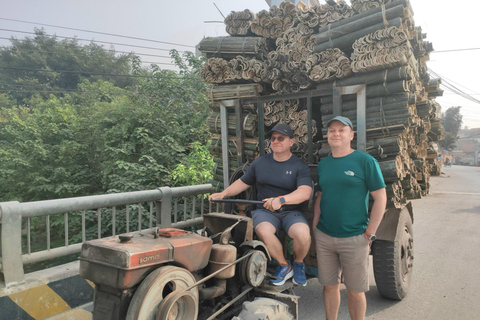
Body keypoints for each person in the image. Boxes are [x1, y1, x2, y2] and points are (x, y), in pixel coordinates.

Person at [209, 123, 313, 286]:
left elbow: (305, 192)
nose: (276, 141)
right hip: (265, 212)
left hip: (291, 211)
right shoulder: (260, 163)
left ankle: (299, 264)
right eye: (273, 139)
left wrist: (281, 200)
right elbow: (243, 182)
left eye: (281, 138)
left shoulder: (299, 166)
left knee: (303, 233)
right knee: (263, 230)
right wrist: (223, 194)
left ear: (291, 141)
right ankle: (284, 266)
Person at [312, 116, 387, 320]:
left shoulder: (365, 161)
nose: (336, 134)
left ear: (351, 135)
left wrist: (370, 233)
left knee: (355, 291)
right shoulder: (324, 165)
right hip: (325, 237)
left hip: (355, 238)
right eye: (331, 130)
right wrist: (315, 226)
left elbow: (380, 198)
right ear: (327, 136)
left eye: (341, 130)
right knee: (329, 287)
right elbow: (321, 195)